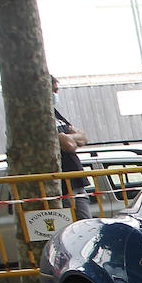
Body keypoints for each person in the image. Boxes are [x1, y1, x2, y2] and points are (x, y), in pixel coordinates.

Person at [51, 76, 90, 219]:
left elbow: (83, 137)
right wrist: (68, 139)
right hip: (62, 185)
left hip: (75, 181)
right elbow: (68, 145)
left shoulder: (56, 114)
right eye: (54, 90)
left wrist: (67, 138)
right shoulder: (42, 117)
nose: (56, 94)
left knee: (85, 222)